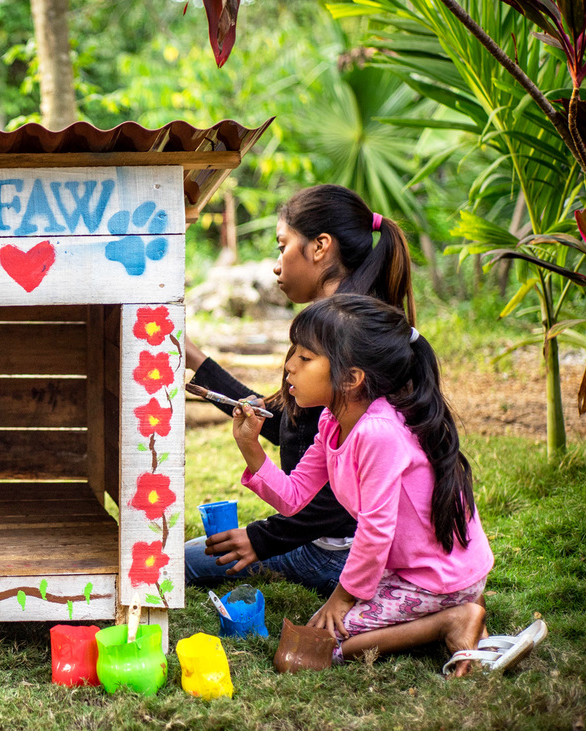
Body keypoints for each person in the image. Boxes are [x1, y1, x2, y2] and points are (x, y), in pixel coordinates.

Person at [232, 294, 492, 674]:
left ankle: (452, 619)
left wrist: (342, 597)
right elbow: (293, 498)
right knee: (320, 631)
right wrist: (250, 447)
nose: (289, 366)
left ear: (352, 378)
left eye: (305, 358)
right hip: (406, 567)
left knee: (326, 648)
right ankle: (452, 612)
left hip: (436, 576)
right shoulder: (333, 421)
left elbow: (375, 530)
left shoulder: (377, 433)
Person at [184, 184, 416, 595]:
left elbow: (346, 497)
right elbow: (287, 423)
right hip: (328, 539)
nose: (276, 264)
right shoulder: (347, 325)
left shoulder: (347, 341)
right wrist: (198, 363)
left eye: (282, 245)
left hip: (343, 551)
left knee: (182, 562)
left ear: (320, 247)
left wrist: (263, 538)